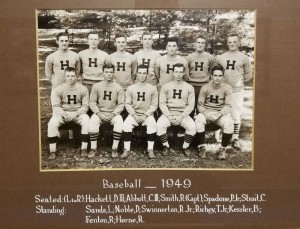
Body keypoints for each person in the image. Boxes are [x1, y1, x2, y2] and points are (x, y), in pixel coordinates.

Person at [216, 33, 252, 150]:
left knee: (235, 113)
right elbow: (216, 73)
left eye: (234, 42)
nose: (232, 44)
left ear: (238, 43)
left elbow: (248, 75)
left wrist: (238, 83)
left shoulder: (244, 57)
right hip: (223, 89)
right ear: (227, 44)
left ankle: (235, 138)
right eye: (230, 42)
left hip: (237, 90)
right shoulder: (221, 57)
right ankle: (222, 134)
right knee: (223, 112)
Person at [47, 67, 90, 160]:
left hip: (78, 113)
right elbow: (55, 106)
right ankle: (53, 151)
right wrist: (64, 114)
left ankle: (84, 148)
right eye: (68, 76)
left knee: (86, 120)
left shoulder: (83, 89)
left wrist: (76, 114)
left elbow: (85, 106)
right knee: (52, 123)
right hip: (63, 114)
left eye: (72, 76)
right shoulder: (58, 89)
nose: (70, 78)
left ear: (77, 77)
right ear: (65, 77)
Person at [45, 32, 81, 139]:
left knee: (71, 106)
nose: (64, 43)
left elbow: (77, 71)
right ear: (57, 42)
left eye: (66, 41)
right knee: (56, 108)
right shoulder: (51, 57)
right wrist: (56, 82)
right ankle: (56, 133)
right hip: (57, 87)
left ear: (69, 42)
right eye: (62, 41)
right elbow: (48, 74)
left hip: (71, 87)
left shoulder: (75, 56)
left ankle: (71, 131)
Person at [195, 65, 234, 160]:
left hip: (219, 114)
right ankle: (202, 147)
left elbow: (229, 106)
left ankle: (222, 149)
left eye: (220, 75)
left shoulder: (227, 88)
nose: (217, 78)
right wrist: (206, 113)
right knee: (199, 120)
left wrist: (219, 114)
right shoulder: (205, 87)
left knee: (229, 123)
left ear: (223, 77)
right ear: (211, 76)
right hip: (207, 112)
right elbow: (199, 105)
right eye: (215, 75)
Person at [157, 63, 196, 157]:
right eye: (176, 72)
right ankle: (165, 146)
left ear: (183, 73)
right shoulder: (166, 86)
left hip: (182, 114)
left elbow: (191, 105)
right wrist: (169, 116)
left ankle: (185, 147)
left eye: (180, 72)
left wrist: (182, 116)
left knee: (192, 127)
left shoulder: (189, 87)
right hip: (169, 113)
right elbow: (162, 103)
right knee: (159, 125)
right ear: (173, 73)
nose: (178, 74)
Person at [122, 65, 158, 159]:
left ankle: (150, 149)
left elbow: (154, 105)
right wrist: (134, 115)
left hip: (147, 115)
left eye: (144, 73)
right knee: (126, 124)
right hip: (134, 114)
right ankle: (126, 149)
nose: (142, 75)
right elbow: (127, 104)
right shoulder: (131, 88)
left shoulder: (152, 88)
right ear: (137, 74)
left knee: (152, 124)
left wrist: (146, 115)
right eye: (140, 73)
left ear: (147, 75)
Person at [88, 64, 124, 159]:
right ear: (103, 73)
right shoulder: (96, 86)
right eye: (106, 72)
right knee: (93, 121)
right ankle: (93, 148)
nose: (109, 74)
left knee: (119, 121)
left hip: (113, 113)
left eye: (111, 72)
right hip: (100, 113)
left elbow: (121, 105)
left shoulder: (118, 87)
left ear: (114, 73)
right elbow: (92, 102)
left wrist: (113, 114)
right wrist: (98, 113)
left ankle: (114, 148)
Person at [186, 35, 215, 115]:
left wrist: (209, 82)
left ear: (205, 45)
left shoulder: (210, 57)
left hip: (204, 86)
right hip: (191, 86)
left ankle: (201, 126)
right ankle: (189, 126)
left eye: (202, 43)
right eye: (198, 42)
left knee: (202, 109)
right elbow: (185, 72)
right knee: (190, 109)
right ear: (194, 44)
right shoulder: (189, 58)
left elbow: (212, 71)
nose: (200, 44)